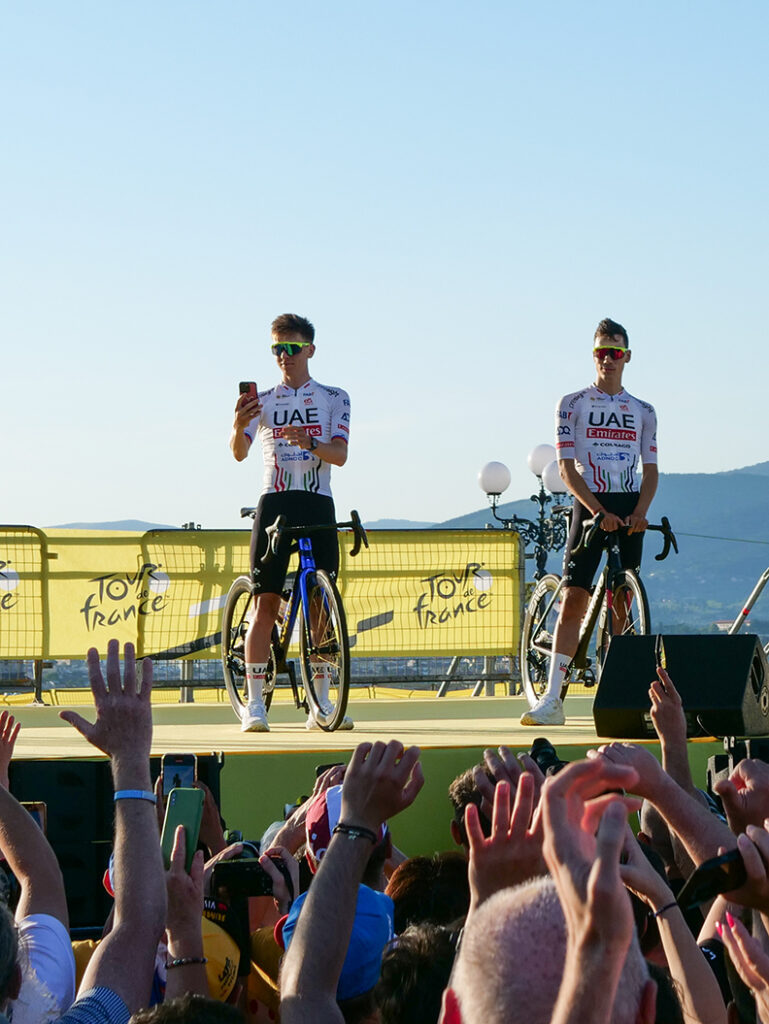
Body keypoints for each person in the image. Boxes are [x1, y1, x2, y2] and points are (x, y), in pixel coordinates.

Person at [521, 317, 658, 727]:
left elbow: (651, 471)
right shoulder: (573, 403)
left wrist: (641, 512)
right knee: (576, 598)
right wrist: (597, 511)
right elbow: (565, 469)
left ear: (627, 357)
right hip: (589, 502)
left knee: (622, 601)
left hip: (629, 503)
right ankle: (551, 699)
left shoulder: (644, 411)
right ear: (593, 355)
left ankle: (620, 694)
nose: (608, 359)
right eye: (601, 351)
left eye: (615, 352)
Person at [230, 313, 352, 732]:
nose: (284, 356)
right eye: (276, 349)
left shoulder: (336, 398)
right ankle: (255, 704)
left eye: (292, 348)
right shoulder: (262, 401)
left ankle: (321, 701)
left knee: (320, 604)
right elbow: (238, 453)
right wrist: (237, 425)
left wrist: (311, 443)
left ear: (310, 351)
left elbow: (340, 454)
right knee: (265, 603)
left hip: (318, 502)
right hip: (275, 502)